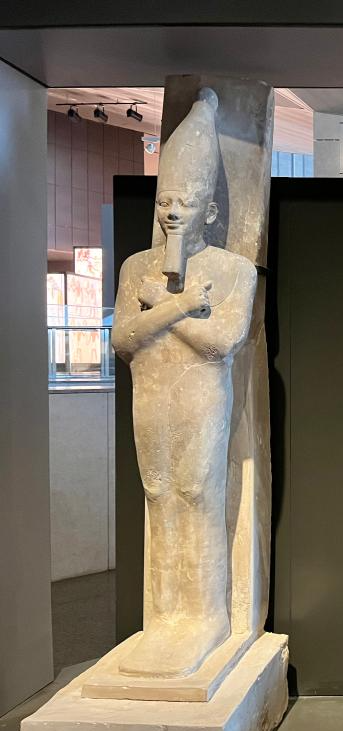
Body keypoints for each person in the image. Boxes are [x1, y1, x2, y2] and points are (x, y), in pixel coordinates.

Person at [111, 88, 258, 678]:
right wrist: (177, 306)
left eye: (187, 202)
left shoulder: (232, 269)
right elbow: (123, 340)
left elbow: (222, 342)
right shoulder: (136, 269)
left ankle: (203, 615)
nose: (173, 212)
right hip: (151, 394)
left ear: (210, 212)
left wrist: (165, 308)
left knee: (196, 492)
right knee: (158, 493)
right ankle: (165, 617)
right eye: (166, 201)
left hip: (200, 396)